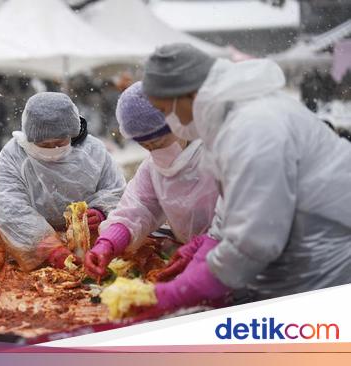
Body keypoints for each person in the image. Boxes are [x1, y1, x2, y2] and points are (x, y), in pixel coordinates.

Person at [138, 43, 351, 313]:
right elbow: (238, 202)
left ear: (188, 95)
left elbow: (254, 241)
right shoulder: (237, 117)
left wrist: (179, 292)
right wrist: (203, 245)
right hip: (307, 261)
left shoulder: (253, 128)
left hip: (323, 268)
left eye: (166, 109)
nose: (169, 120)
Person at [84, 82, 219, 280]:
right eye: (146, 146)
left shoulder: (221, 155)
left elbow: (245, 221)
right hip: (197, 260)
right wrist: (108, 243)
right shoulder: (153, 168)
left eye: (159, 142)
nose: (156, 152)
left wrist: (205, 247)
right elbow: (138, 207)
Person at [0, 92, 126, 271]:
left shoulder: (93, 151)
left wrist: (100, 211)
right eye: (45, 145)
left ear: (72, 134)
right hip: (32, 245)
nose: (53, 149)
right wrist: (49, 247)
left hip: (90, 245)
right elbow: (10, 206)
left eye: (60, 142)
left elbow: (115, 190)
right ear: (31, 138)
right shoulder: (13, 156)